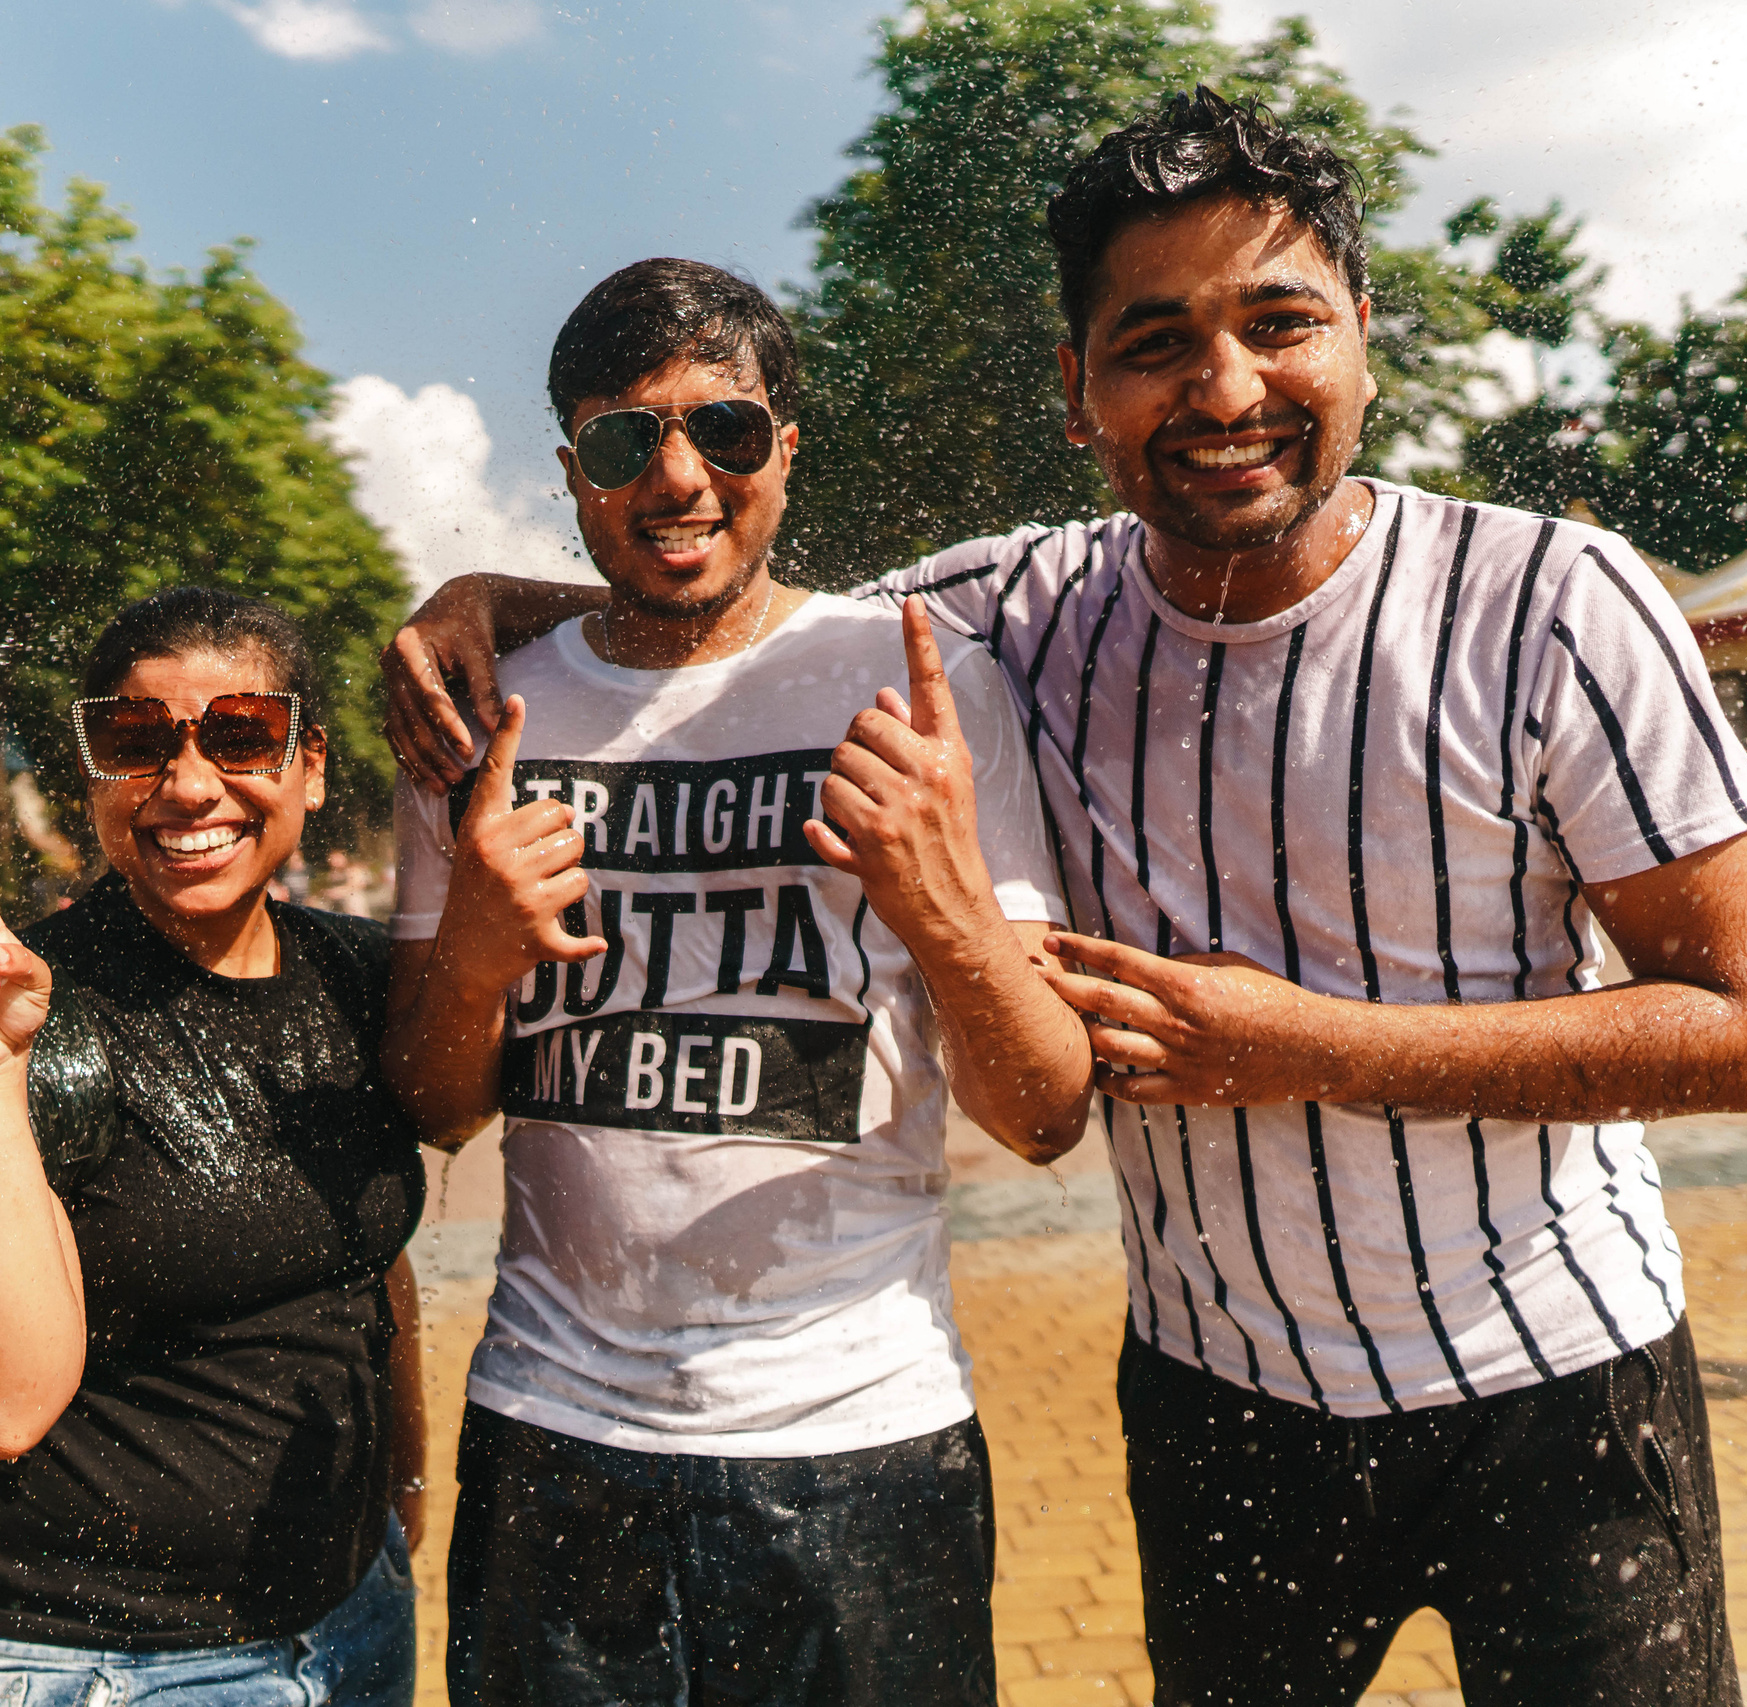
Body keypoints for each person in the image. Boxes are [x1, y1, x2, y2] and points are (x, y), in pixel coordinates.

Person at [384, 92, 1747, 1707]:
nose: (1225, 389)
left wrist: (1318, 1047)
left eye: (1280, 322)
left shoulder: (1552, 601)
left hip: (1555, 1379)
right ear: (1081, 393)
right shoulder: (1011, 612)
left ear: (1364, 338)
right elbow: (716, 613)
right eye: (1156, 341)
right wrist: (481, 606)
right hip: (1223, 1398)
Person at [383, 259, 1094, 1706]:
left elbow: (1044, 1112)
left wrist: (942, 909)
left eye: (726, 429)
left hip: (862, 1435)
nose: (678, 475)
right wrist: (472, 949)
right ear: (572, 470)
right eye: (623, 440)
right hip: (554, 1430)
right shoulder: (481, 711)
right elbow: (433, 1104)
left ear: (787, 447)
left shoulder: (921, 685)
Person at [0, 587, 424, 1707]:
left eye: (242, 733)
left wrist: (400, 1490)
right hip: (90, 1661)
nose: (190, 783)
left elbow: (366, 1267)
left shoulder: (358, 976)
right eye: (136, 741)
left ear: (311, 765)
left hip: (351, 1618)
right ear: (93, 776)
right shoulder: (8, 1013)